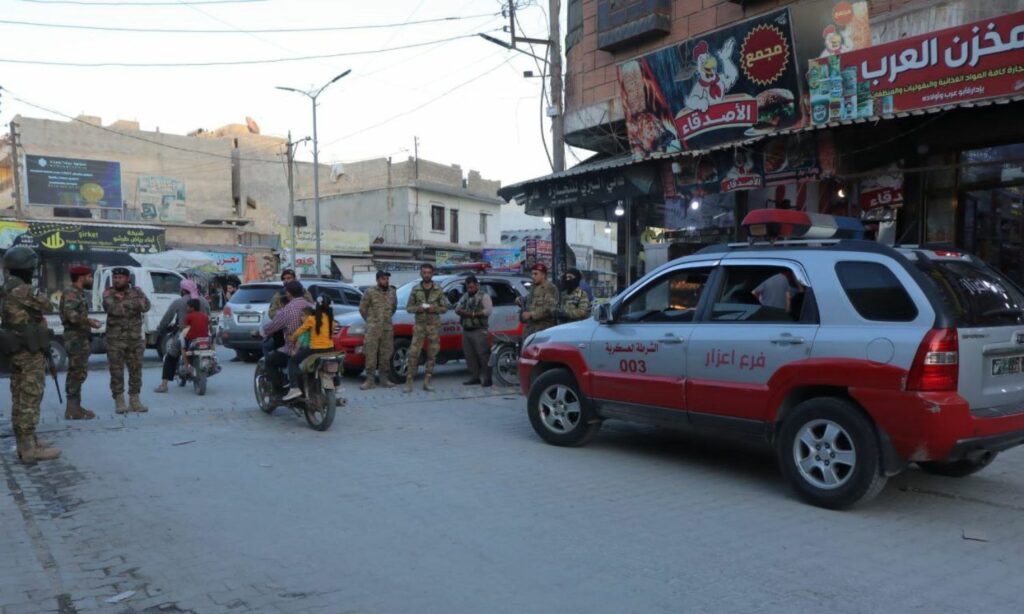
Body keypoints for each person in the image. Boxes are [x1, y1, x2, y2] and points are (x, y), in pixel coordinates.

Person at [0, 246, 61, 463]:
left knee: (19, 396)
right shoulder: (23, 290)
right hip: (28, 351)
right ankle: (28, 450)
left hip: (15, 350)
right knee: (31, 397)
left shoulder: (5, 287)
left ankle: (26, 442)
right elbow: (49, 305)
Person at [103, 267, 151, 414]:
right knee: (116, 372)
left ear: (127, 278)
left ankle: (134, 399)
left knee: (136, 371)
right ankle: (119, 400)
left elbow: (146, 306)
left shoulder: (137, 291)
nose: (117, 280)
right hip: (115, 340)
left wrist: (124, 303)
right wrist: (133, 304)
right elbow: (112, 309)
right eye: (115, 277)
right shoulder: (108, 292)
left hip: (134, 339)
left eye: (120, 277)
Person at [60, 265, 102, 420]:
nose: (91, 279)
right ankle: (72, 409)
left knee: (78, 372)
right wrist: (89, 321)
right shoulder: (71, 293)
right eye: (89, 276)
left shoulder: (78, 293)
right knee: (76, 372)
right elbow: (71, 315)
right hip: (75, 338)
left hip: (80, 337)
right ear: (82, 277)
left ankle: (75, 407)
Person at [153, 279, 210, 393]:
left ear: (183, 290)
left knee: (171, 355)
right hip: (204, 334)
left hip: (185, 333)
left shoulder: (178, 302)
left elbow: (167, 318)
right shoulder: (204, 301)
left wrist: (159, 330)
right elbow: (209, 317)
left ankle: (164, 385)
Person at [259, 280, 311, 396]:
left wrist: (261, 332)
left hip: (293, 348)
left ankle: (279, 392)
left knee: (270, 361)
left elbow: (272, 326)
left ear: (288, 293)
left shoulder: (287, 310)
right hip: (313, 347)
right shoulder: (309, 306)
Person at [404, 263, 449, 392]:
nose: (426, 275)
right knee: (413, 353)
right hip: (419, 326)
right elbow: (408, 308)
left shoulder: (438, 289)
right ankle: (409, 381)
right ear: (421, 273)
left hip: (433, 327)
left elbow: (445, 308)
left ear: (432, 273)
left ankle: (427, 381)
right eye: (424, 272)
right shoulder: (416, 289)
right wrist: (418, 308)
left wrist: (435, 309)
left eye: (429, 272)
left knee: (432, 354)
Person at [285, 294, 336, 401]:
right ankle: (338, 384)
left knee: (292, 362)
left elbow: (300, 331)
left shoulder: (312, 319)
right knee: (335, 364)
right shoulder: (331, 320)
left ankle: (294, 388)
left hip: (315, 350)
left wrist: (292, 337)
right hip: (330, 349)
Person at [358, 270, 397, 390]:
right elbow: (362, 309)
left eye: (387, 279)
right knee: (371, 353)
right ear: (378, 280)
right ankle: (369, 380)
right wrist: (371, 321)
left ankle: (384, 379)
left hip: (387, 328)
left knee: (386, 353)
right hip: (373, 328)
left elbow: (393, 308)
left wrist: (386, 319)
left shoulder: (392, 292)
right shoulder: (370, 292)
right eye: (383, 279)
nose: (386, 281)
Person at [264, 269, 313, 362]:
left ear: (295, 279)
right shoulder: (278, 295)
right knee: (268, 346)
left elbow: (310, 308)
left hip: (302, 335)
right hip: (281, 331)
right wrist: (282, 315)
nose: (286, 280)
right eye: (284, 278)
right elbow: (272, 312)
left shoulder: (304, 293)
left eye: (289, 278)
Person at [455, 275, 493, 387]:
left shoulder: (484, 296)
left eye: (472, 287)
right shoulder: (465, 296)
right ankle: (475, 377)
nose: (470, 289)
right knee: (469, 355)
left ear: (477, 285)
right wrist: (461, 312)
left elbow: (488, 311)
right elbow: (457, 308)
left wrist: (472, 314)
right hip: (467, 330)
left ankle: (487, 378)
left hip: (479, 330)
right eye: (468, 287)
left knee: (483, 355)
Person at [521, 263, 559, 337]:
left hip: (543, 329)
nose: (533, 276)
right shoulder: (534, 287)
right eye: (532, 274)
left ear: (543, 275)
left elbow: (550, 308)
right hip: (530, 328)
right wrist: (520, 300)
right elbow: (530, 300)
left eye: (536, 274)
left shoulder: (550, 288)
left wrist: (531, 314)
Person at [178, 299, 211, 371]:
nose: (187, 308)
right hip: (204, 338)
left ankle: (187, 365)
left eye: (188, 307)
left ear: (192, 308)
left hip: (192, 338)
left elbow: (186, 327)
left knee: (182, 346)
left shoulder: (189, 316)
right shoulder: (205, 316)